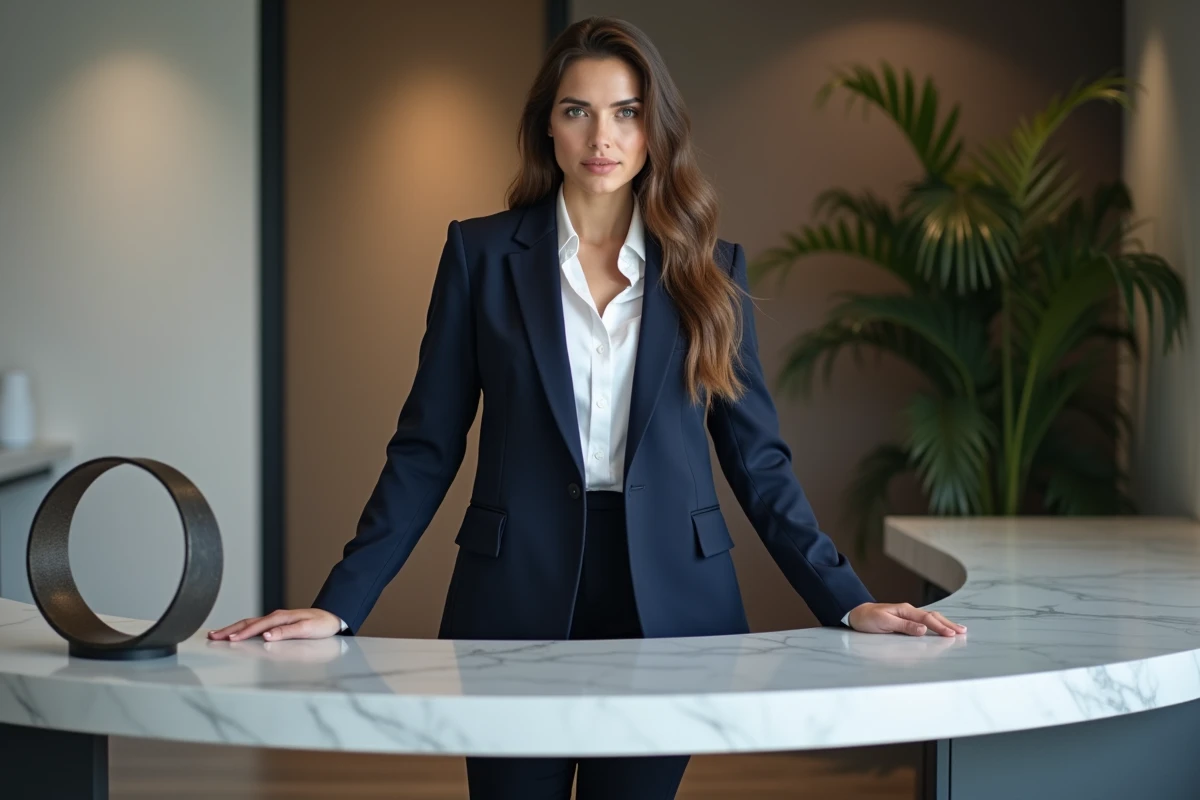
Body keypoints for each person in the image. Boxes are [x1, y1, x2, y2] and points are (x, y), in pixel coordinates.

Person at [209, 15, 966, 800]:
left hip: (674, 608)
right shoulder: (480, 256)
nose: (600, 135)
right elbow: (426, 447)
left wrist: (848, 603)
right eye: (577, 110)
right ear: (548, 126)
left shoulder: (711, 271)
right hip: (514, 597)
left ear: (653, 130)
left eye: (625, 111)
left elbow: (758, 462)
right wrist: (340, 607)